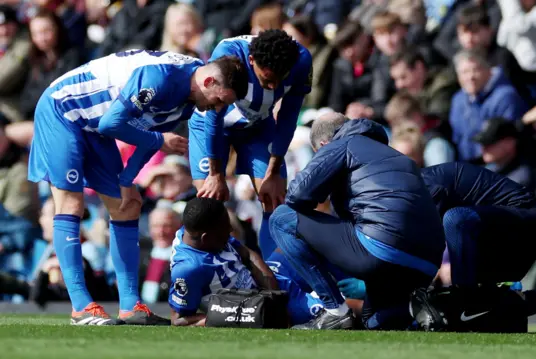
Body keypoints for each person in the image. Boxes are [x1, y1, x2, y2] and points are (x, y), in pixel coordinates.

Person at [28, 49, 248, 326]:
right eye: (219, 101)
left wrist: (127, 180)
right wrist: (159, 142)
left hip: (95, 127)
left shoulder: (190, 97)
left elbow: (145, 129)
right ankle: (81, 307)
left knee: (127, 206)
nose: (217, 108)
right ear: (209, 83)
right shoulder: (161, 79)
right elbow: (114, 124)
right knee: (71, 204)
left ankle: (131, 306)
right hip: (63, 110)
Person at [269, 112, 446, 330]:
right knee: (373, 322)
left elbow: (297, 195)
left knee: (281, 218)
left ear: (323, 145)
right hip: (427, 264)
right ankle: (420, 307)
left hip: (383, 250)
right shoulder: (393, 154)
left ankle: (335, 311)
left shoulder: (342, 144)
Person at [188, 30, 312, 259]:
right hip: (213, 125)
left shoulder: (301, 60)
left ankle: (277, 277)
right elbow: (214, 117)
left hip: (257, 126)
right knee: (208, 205)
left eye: (279, 79)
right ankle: (215, 275)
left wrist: (274, 170)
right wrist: (216, 174)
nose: (274, 87)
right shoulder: (227, 54)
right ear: (251, 61)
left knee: (274, 202)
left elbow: (288, 117)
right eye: (267, 79)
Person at [418, 162, 536, 334]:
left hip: (528, 224)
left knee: (456, 219)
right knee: (486, 312)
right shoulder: (413, 184)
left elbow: (425, 250)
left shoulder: (424, 185)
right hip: (494, 231)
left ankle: (463, 306)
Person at [168, 197, 325, 327]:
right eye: (225, 229)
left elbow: (248, 254)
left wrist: (275, 295)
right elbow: (179, 319)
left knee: (309, 242)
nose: (230, 230)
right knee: (337, 313)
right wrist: (232, 316)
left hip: (270, 281)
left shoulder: (195, 230)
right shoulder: (189, 269)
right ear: (206, 238)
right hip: (258, 303)